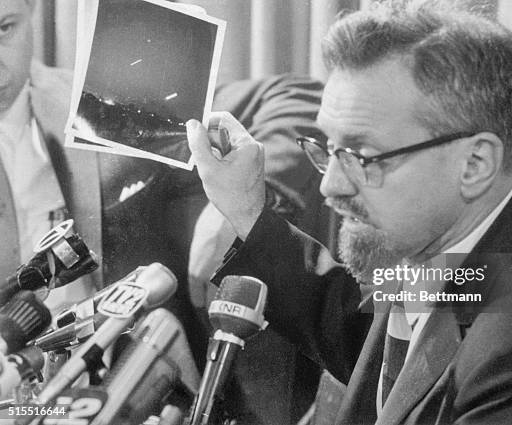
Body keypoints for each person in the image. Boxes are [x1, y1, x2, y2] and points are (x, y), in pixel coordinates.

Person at [187, 1, 512, 424]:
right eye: (330, 149)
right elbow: (373, 341)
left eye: (362, 155)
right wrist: (248, 209)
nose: (330, 185)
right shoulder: (470, 234)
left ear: (476, 164)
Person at [0, 1, 324, 421]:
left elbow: (294, 96)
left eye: (5, 28)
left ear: (31, 15)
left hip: (143, 390)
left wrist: (236, 205)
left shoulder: (99, 102)